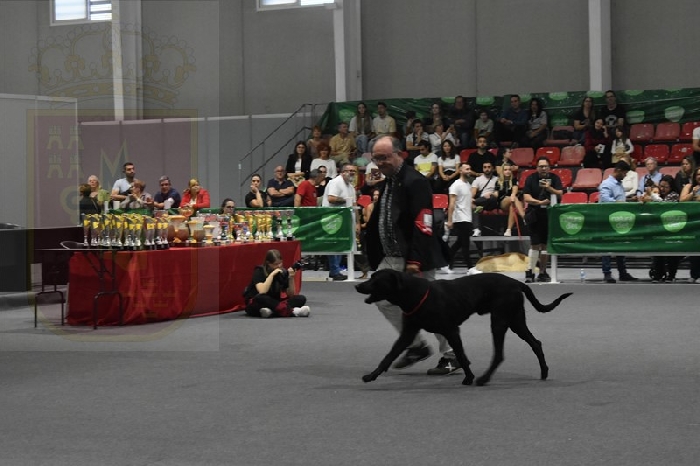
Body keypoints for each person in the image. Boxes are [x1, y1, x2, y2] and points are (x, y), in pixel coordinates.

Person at [364, 135, 460, 376]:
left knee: (431, 308)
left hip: (414, 257)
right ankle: (416, 345)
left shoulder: (415, 181)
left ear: (399, 154)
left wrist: (415, 261)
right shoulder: (389, 181)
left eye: (384, 157)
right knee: (383, 300)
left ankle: (452, 354)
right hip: (392, 256)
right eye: (376, 158)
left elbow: (423, 223)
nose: (379, 163)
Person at [522, 157, 563, 283]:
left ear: (549, 167)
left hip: (549, 215)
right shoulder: (531, 178)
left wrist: (549, 189)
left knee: (545, 245)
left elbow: (560, 193)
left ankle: (542, 272)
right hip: (534, 214)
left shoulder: (555, 178)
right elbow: (526, 197)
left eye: (545, 166)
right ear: (537, 168)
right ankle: (530, 272)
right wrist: (540, 202)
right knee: (534, 244)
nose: (543, 168)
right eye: (541, 166)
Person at [597, 160, 637, 283]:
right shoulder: (606, 184)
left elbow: (620, 200)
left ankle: (622, 272)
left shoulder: (619, 184)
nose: (625, 176)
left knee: (621, 246)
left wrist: (630, 200)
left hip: (619, 219)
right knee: (606, 247)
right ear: (618, 171)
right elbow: (605, 200)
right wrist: (618, 202)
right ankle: (607, 273)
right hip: (607, 219)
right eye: (624, 173)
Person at [243, 249, 309, 318]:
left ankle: (272, 311)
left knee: (301, 298)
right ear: (268, 263)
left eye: (280, 263)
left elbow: (290, 294)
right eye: (276, 264)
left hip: (273, 301)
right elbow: (262, 291)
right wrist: (272, 274)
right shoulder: (259, 271)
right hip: (257, 302)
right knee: (260, 298)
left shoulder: (282, 272)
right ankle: (293, 311)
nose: (279, 266)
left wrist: (291, 277)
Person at [321, 163, 360, 281]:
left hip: (343, 219)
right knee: (334, 244)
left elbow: (354, 205)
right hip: (332, 217)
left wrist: (357, 222)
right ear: (343, 172)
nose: (352, 173)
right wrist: (346, 200)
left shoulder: (351, 187)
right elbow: (331, 198)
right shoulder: (336, 182)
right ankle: (334, 270)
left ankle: (336, 270)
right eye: (349, 170)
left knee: (341, 244)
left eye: (354, 171)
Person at [643, 175, 680, 282]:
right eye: (661, 186)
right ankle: (658, 274)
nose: (662, 189)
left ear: (671, 187)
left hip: (671, 228)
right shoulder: (658, 194)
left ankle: (671, 275)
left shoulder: (674, 195)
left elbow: (663, 205)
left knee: (672, 254)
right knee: (657, 253)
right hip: (658, 228)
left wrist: (652, 195)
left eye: (665, 187)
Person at [444, 162, 474, 273]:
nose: (469, 171)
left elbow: (466, 201)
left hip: (467, 217)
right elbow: (451, 204)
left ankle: (446, 264)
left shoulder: (468, 185)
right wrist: (450, 220)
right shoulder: (455, 185)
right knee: (465, 244)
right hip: (460, 218)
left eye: (470, 169)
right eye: (466, 169)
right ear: (460, 171)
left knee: (459, 243)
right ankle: (470, 268)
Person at [470, 160, 499, 237]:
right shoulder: (477, 180)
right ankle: (477, 229)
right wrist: (471, 199)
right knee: (475, 208)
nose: (487, 169)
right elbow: (473, 193)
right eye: (485, 167)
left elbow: (497, 194)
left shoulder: (497, 179)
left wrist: (490, 194)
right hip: (482, 202)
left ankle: (476, 202)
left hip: (492, 202)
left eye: (489, 167)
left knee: (491, 198)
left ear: (492, 168)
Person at [497, 162, 525, 237]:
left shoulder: (513, 180)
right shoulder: (498, 181)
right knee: (514, 199)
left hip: (512, 202)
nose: (508, 171)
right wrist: (512, 196)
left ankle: (508, 230)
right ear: (502, 171)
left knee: (512, 206)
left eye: (509, 170)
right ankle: (524, 217)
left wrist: (513, 195)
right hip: (502, 202)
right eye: (505, 170)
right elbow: (497, 194)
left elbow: (515, 189)